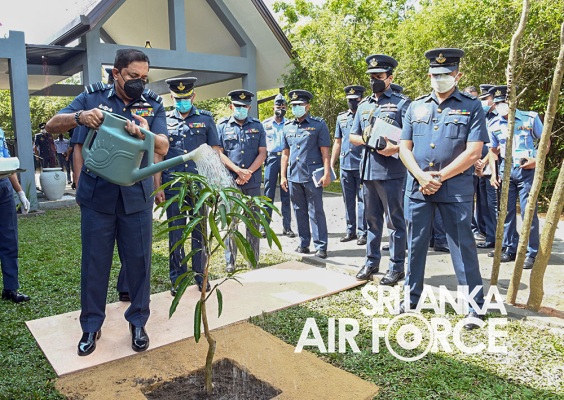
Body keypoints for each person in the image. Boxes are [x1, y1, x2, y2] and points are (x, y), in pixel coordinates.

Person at [45, 48, 168, 355]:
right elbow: (51, 124)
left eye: (144, 77)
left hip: (135, 197)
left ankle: (138, 322)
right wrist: (80, 117)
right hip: (98, 196)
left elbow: (164, 146)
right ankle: (91, 326)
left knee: (139, 263)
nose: (139, 82)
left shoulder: (152, 104)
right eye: (133, 76)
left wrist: (146, 134)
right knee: (95, 263)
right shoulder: (92, 98)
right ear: (116, 73)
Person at [399, 48, 488, 329]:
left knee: (462, 247)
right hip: (418, 188)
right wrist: (421, 176)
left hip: (455, 189)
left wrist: (438, 177)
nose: (441, 78)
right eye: (436, 74)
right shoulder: (415, 107)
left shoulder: (472, 106)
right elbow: (404, 148)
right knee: (415, 245)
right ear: (429, 75)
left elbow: (474, 152)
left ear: (458, 75)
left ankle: (474, 307)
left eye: (446, 74)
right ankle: (411, 300)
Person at [349, 54, 411, 285]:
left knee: (395, 222)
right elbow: (353, 136)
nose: (374, 80)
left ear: (390, 78)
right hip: (367, 171)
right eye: (371, 76)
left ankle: (396, 267)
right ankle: (371, 261)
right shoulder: (364, 105)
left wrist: (395, 148)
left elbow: (411, 139)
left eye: (379, 76)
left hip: (391, 172)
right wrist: (365, 139)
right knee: (372, 221)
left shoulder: (402, 103)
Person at [154, 77, 219, 293]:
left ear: (193, 96)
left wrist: (214, 183)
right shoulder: (163, 120)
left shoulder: (206, 119)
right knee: (177, 232)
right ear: (172, 97)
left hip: (199, 186)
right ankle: (178, 278)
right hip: (173, 185)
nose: (182, 102)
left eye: (186, 98)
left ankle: (201, 275)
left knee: (200, 231)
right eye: (177, 99)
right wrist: (158, 186)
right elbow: (159, 155)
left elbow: (214, 152)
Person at [487, 85, 545, 270]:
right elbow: (493, 151)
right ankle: (510, 247)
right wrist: (493, 173)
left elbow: (545, 141)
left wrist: (536, 160)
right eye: (497, 103)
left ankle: (531, 252)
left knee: (529, 211)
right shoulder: (494, 124)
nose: (500, 106)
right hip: (506, 169)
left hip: (526, 169)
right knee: (506, 212)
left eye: (504, 102)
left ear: (513, 101)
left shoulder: (530, 118)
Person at [217, 90, 266, 273]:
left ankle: (252, 259)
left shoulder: (258, 126)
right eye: (238, 106)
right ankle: (230, 261)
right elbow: (219, 152)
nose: (241, 109)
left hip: (252, 182)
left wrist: (248, 172)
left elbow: (262, 153)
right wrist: (238, 171)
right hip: (230, 182)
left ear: (249, 107)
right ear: (231, 106)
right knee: (231, 221)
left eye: (244, 106)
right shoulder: (222, 126)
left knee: (253, 221)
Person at [280, 89, 331, 259]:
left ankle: (321, 246)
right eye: (293, 105)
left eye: (299, 104)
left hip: (312, 175)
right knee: (298, 210)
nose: (296, 108)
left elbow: (325, 152)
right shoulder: (287, 126)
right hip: (294, 175)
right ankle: (303, 243)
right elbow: (285, 154)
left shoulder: (318, 124)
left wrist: (327, 173)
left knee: (316, 211)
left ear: (307, 106)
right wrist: (283, 176)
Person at [330, 85, 367, 246]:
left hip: (361, 163)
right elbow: (337, 142)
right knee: (348, 200)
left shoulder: (366, 116)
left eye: (355, 99)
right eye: (350, 100)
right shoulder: (341, 118)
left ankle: (363, 232)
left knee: (363, 199)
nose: (352, 102)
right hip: (346, 164)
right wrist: (331, 163)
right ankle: (350, 230)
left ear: (361, 99)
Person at [0, 127, 31, 303]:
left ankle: (10, 288)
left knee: (9, 238)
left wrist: (20, 192)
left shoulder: (0, 132)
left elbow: (8, 165)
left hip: (3, 186)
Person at [261, 93, 294, 238]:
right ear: (273, 107)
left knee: (286, 193)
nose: (280, 108)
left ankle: (287, 227)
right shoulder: (265, 124)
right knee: (268, 194)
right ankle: (264, 227)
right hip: (272, 158)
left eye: (283, 106)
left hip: (286, 159)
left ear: (286, 108)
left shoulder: (290, 124)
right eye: (278, 106)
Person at [475, 84, 499, 250]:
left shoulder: (501, 118)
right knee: (484, 204)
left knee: (494, 205)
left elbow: (496, 147)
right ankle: (490, 237)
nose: (483, 102)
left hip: (495, 167)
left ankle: (501, 239)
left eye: (486, 99)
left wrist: (483, 161)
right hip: (482, 168)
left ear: (494, 100)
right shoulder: (484, 116)